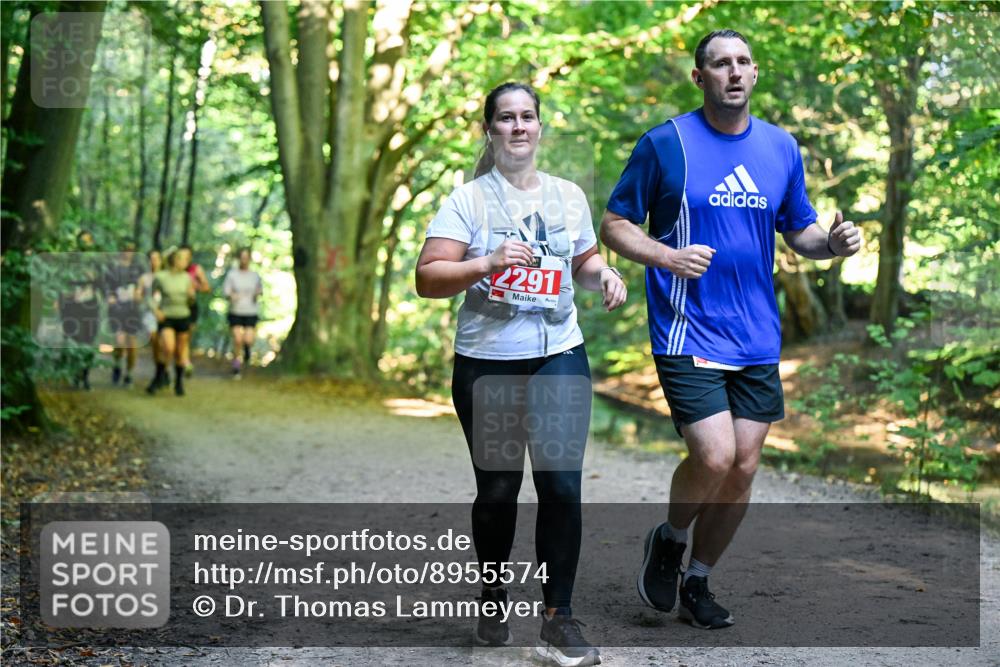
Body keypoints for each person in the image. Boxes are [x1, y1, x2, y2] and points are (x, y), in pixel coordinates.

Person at [599, 30, 862, 630]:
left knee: (744, 466)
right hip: (687, 328)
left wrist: (837, 246)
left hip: (756, 336)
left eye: (743, 61)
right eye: (720, 64)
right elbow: (615, 224)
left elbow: (802, 232)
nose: (734, 72)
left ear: (755, 71)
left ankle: (698, 578)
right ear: (700, 77)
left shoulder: (780, 147)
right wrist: (664, 257)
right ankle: (668, 539)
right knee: (714, 457)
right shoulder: (665, 144)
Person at [416, 81, 625, 667]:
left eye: (527, 117)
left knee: (560, 485)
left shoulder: (567, 197)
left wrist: (603, 276)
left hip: (559, 351)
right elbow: (428, 276)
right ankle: (492, 596)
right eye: (505, 118)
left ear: (539, 128)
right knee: (500, 489)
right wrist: (485, 262)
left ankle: (558, 616)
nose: (517, 127)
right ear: (490, 130)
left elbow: (583, 261)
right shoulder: (469, 201)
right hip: (488, 361)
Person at [146, 249, 195, 396]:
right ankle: (159, 375)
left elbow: (191, 299)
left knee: (180, 351)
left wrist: (191, 297)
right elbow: (149, 295)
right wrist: (156, 310)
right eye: (182, 259)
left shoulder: (187, 277)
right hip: (166, 317)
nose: (185, 262)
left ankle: (178, 383)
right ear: (174, 261)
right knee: (168, 347)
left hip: (183, 316)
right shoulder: (161, 277)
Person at [57, 231, 101, 390]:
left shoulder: (97, 261)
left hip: (90, 306)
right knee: (74, 338)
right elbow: (62, 282)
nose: (86, 244)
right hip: (72, 306)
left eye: (89, 241)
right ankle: (74, 373)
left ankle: (85, 375)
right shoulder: (70, 260)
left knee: (89, 340)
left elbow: (103, 283)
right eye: (83, 241)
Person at [102, 245, 145, 387]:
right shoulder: (112, 268)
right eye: (126, 249)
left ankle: (129, 374)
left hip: (133, 310)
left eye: (131, 250)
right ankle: (117, 364)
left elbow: (143, 286)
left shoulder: (138, 268)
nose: (128, 252)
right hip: (117, 310)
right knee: (119, 341)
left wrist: (139, 293)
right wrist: (110, 297)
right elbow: (106, 287)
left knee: (132, 344)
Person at [222, 247, 263, 379]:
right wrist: (232, 296)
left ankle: (247, 350)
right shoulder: (232, 275)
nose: (244, 260)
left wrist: (257, 294)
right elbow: (226, 291)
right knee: (238, 339)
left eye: (246, 257)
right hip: (236, 311)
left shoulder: (254, 275)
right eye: (242, 257)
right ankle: (236, 366)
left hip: (250, 311)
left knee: (248, 339)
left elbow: (259, 290)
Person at [178, 244, 210, 376]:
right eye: (182, 255)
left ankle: (183, 366)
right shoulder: (172, 269)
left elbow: (206, 287)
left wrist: (195, 286)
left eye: (187, 256)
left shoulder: (195, 269)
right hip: (172, 308)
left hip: (190, 307)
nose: (184, 258)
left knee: (184, 339)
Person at [137, 249, 165, 390]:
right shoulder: (144, 278)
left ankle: (162, 372)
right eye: (151, 259)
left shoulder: (166, 276)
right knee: (155, 341)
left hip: (166, 314)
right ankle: (159, 372)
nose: (154, 261)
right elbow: (139, 296)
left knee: (165, 344)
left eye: (156, 258)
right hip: (149, 314)